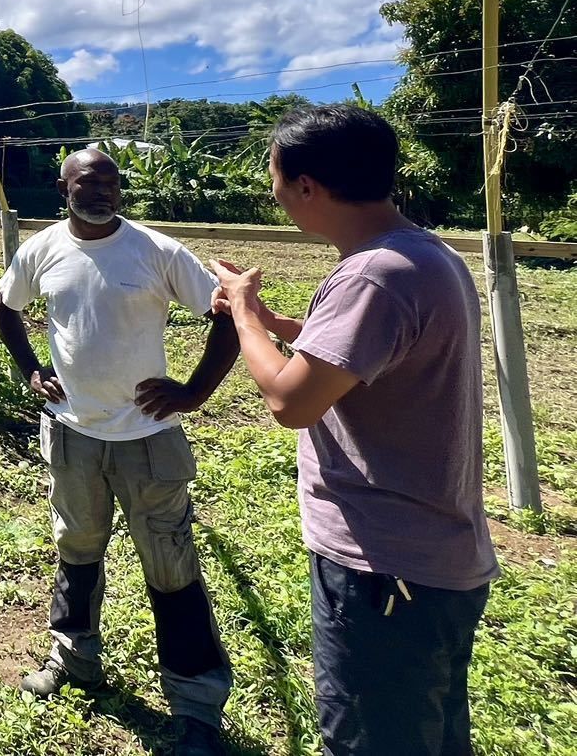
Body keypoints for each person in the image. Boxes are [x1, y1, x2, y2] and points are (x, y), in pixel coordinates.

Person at [210, 105, 497, 756]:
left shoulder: (371, 275)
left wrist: (248, 316)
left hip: (383, 575)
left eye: (276, 179)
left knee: (371, 741)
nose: (274, 194)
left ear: (307, 185)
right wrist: (287, 326)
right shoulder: (420, 254)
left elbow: (291, 401)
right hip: (432, 567)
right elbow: (360, 358)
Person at [0, 148, 237, 756]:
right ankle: (74, 660)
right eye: (87, 182)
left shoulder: (156, 251)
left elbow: (228, 314)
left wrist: (194, 390)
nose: (100, 191)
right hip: (73, 436)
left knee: (171, 564)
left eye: (110, 182)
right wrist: (31, 371)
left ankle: (197, 706)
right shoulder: (42, 249)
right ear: (63, 187)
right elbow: (5, 306)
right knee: (77, 550)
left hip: (146, 440)